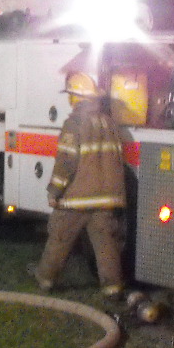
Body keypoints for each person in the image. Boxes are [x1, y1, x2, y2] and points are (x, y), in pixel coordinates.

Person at [34, 71, 133, 298]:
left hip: (76, 199)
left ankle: (45, 279)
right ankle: (113, 287)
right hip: (107, 198)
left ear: (75, 98)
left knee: (59, 238)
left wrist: (54, 191)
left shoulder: (74, 123)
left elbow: (66, 162)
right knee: (106, 245)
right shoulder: (110, 123)